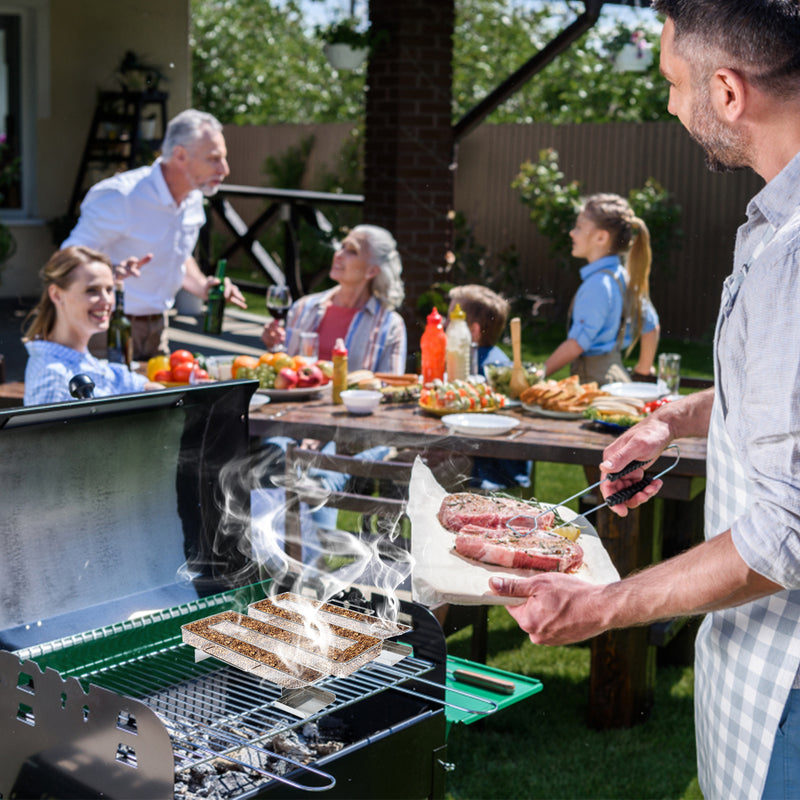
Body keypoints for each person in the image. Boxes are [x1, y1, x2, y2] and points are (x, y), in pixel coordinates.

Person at [490, 3, 800, 798]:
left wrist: (600, 607)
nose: (668, 103)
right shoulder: (775, 220)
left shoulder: (794, 257)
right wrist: (673, 417)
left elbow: (786, 536)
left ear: (727, 93)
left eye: (672, 82)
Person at [62, 108, 246, 361]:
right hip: (108, 329)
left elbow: (178, 256)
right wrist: (110, 273)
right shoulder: (121, 197)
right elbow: (66, 260)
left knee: (163, 400)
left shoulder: (193, 198)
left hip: (159, 329)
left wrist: (202, 286)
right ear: (180, 155)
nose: (224, 169)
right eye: (214, 159)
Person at [543, 193, 660, 384]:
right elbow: (651, 327)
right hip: (617, 378)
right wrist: (642, 371)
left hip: (593, 383)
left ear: (601, 237)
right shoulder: (625, 278)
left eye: (579, 227)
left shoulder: (598, 285)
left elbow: (577, 344)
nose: (572, 233)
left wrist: (537, 375)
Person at [22, 246, 162, 405]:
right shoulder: (53, 376)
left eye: (109, 289)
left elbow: (122, 381)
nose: (107, 300)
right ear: (56, 295)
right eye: (92, 290)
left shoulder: (76, 357)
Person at [261, 224, 407, 373]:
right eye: (342, 246)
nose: (338, 254)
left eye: (352, 251)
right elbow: (281, 372)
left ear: (372, 270)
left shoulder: (390, 326)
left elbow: (391, 387)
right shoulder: (303, 307)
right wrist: (274, 346)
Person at [448, 284, 531, 491]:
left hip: (486, 474)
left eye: (451, 320)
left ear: (473, 331)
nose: (443, 324)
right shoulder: (498, 360)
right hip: (506, 471)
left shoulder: (480, 371)